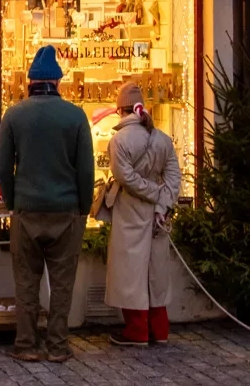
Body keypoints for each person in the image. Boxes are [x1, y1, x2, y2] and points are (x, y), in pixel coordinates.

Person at [0, 45, 94, 363]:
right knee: (62, 283)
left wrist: (13, 202)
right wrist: (83, 209)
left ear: (30, 83)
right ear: (57, 83)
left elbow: (4, 167)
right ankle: (57, 345)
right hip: (66, 210)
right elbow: (86, 169)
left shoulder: (14, 115)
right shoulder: (76, 116)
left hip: (26, 209)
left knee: (26, 281)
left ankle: (25, 344)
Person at [105, 83, 181, 346]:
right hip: (157, 215)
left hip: (130, 212)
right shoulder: (163, 139)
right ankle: (159, 330)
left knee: (130, 272)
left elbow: (124, 177)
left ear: (120, 109)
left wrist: (152, 192)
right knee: (155, 271)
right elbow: (173, 178)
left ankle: (136, 330)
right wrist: (162, 202)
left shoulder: (119, 140)